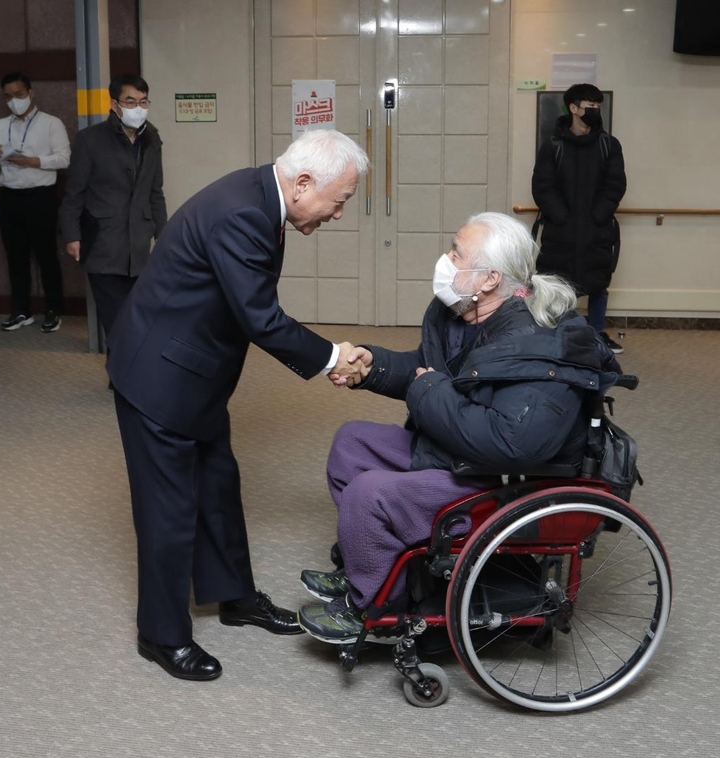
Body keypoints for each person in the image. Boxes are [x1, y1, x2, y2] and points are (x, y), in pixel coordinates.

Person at [107, 129, 369, 680]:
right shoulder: (242, 213)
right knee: (169, 511)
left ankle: (234, 597)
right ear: (302, 184)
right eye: (339, 200)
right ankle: (160, 634)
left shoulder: (259, 197)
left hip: (192, 370)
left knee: (218, 485)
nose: (338, 214)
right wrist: (331, 357)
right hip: (159, 376)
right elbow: (261, 318)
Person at [296, 212, 622, 644]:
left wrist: (428, 388)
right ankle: (371, 563)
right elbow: (430, 369)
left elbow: (511, 443)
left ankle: (374, 606)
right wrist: (373, 366)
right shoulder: (464, 315)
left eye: (456, 252)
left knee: (368, 492)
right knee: (351, 444)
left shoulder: (540, 347)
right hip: (463, 449)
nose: (445, 260)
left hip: (504, 478)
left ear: (489, 279)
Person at [59, 73, 166, 342]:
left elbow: (155, 192)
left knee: (138, 316)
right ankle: (121, 379)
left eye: (143, 102)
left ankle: (126, 374)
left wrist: (164, 235)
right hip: (103, 245)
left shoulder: (152, 139)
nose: (138, 108)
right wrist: (71, 234)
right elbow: (74, 193)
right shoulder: (90, 139)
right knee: (116, 319)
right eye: (130, 102)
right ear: (114, 104)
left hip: (139, 246)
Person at [531, 83, 627, 354]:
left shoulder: (609, 145)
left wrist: (598, 215)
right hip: (560, 229)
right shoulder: (553, 145)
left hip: (597, 228)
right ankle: (556, 334)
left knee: (598, 283)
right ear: (573, 108)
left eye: (598, 107)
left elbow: (615, 185)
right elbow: (542, 186)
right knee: (556, 284)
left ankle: (596, 336)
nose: (595, 111)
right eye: (589, 107)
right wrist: (561, 217)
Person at [0, 72, 71, 333]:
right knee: (15, 257)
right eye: (8, 97)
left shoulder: (51, 123)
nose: (14, 101)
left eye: (19, 95)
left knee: (46, 256)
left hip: (41, 197)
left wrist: (35, 161)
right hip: (9, 197)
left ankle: (53, 309)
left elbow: (65, 158)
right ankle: (21, 310)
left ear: (31, 93)